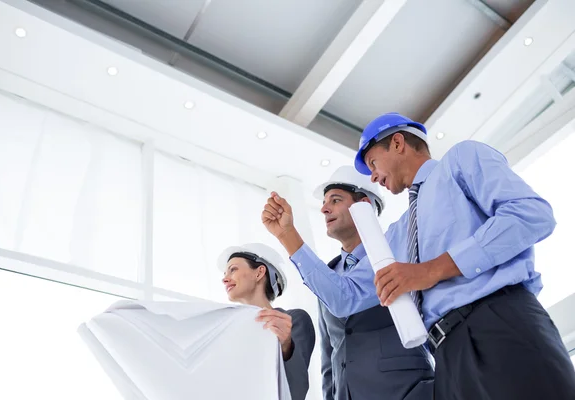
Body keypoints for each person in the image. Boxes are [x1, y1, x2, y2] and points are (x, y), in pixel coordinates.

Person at [349, 112, 575, 399]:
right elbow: (347, 295)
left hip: (498, 324)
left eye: (372, 162)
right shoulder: (403, 228)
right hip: (446, 357)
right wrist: (288, 236)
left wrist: (430, 270)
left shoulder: (460, 159)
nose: (373, 176)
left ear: (396, 143)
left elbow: (531, 215)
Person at [261, 166, 433, 400]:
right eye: (324, 202)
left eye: (335, 199)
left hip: (405, 390)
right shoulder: (327, 275)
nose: (324, 208)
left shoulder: (396, 252)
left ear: (365, 205)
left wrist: (287, 235)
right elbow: (330, 353)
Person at [217, 243, 316, 400]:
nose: (224, 279)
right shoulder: (227, 330)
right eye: (224, 273)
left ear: (259, 272)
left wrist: (286, 347)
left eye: (233, 269)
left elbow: (296, 392)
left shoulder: (293, 320)